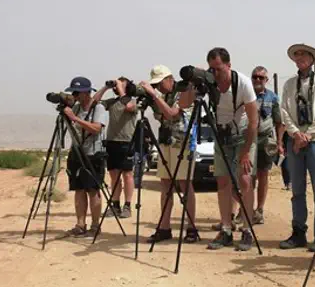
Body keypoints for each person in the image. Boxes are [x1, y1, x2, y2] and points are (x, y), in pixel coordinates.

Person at [279, 43, 315, 252]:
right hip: (296, 140)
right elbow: (284, 111)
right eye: (297, 55)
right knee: (297, 190)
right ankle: (298, 232)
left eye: (304, 55)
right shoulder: (289, 84)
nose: (300, 58)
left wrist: (308, 134)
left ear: (312, 59)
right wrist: (295, 134)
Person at [206, 47, 259, 252]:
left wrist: (246, 151)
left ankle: (246, 229)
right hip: (221, 137)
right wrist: (194, 85)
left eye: (219, 69)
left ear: (229, 65)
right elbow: (184, 104)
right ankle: (226, 228)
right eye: (212, 69)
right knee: (222, 181)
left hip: (243, 135)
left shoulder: (243, 84)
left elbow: (254, 122)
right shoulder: (209, 84)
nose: (215, 74)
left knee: (245, 180)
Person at [140, 65, 199, 244]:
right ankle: (164, 228)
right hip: (166, 141)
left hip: (182, 143)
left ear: (169, 79)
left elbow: (173, 113)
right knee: (165, 184)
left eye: (160, 83)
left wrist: (154, 94)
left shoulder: (183, 91)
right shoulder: (159, 95)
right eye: (155, 84)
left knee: (184, 183)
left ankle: (191, 227)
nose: (158, 87)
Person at [62, 76, 108, 237]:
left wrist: (75, 119)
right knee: (79, 189)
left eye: (77, 92)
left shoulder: (99, 108)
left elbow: (96, 128)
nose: (74, 95)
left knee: (93, 190)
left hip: (93, 154)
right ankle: (80, 224)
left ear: (86, 92)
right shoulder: (76, 107)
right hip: (77, 152)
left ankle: (95, 226)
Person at [92, 77, 137, 219]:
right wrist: (106, 87)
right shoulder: (112, 102)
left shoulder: (133, 101)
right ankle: (115, 204)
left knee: (127, 174)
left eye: (120, 85)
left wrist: (122, 89)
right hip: (112, 141)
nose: (117, 87)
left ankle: (127, 205)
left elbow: (129, 107)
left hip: (127, 142)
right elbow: (94, 102)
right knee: (114, 175)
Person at [250, 66, 284, 225]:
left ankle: (259, 210)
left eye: (261, 78)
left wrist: (279, 143)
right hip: (248, 140)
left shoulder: (273, 97)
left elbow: (279, 122)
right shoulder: (246, 94)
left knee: (263, 175)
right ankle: (246, 210)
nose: (257, 80)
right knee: (248, 176)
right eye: (255, 77)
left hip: (265, 140)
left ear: (266, 80)